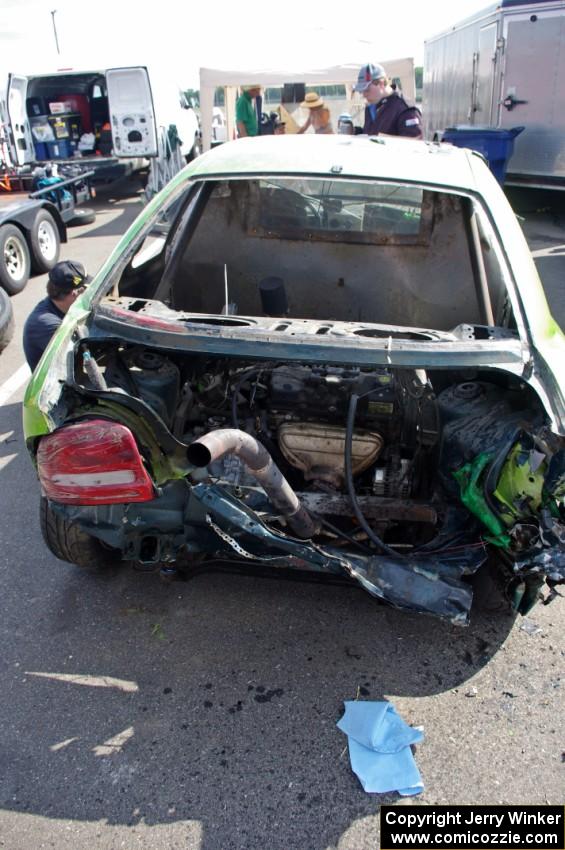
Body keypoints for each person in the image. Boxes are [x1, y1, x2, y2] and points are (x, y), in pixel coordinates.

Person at [23, 260, 89, 371]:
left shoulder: (58, 306)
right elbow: (83, 356)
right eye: (85, 290)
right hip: (56, 383)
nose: (87, 294)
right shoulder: (46, 324)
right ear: (74, 293)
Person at [353, 63, 422, 139]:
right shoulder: (371, 106)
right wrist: (353, 131)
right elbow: (370, 133)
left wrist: (380, 139)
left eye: (366, 90)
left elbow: (415, 142)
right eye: (361, 91)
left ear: (381, 83)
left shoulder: (405, 108)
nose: (364, 95)